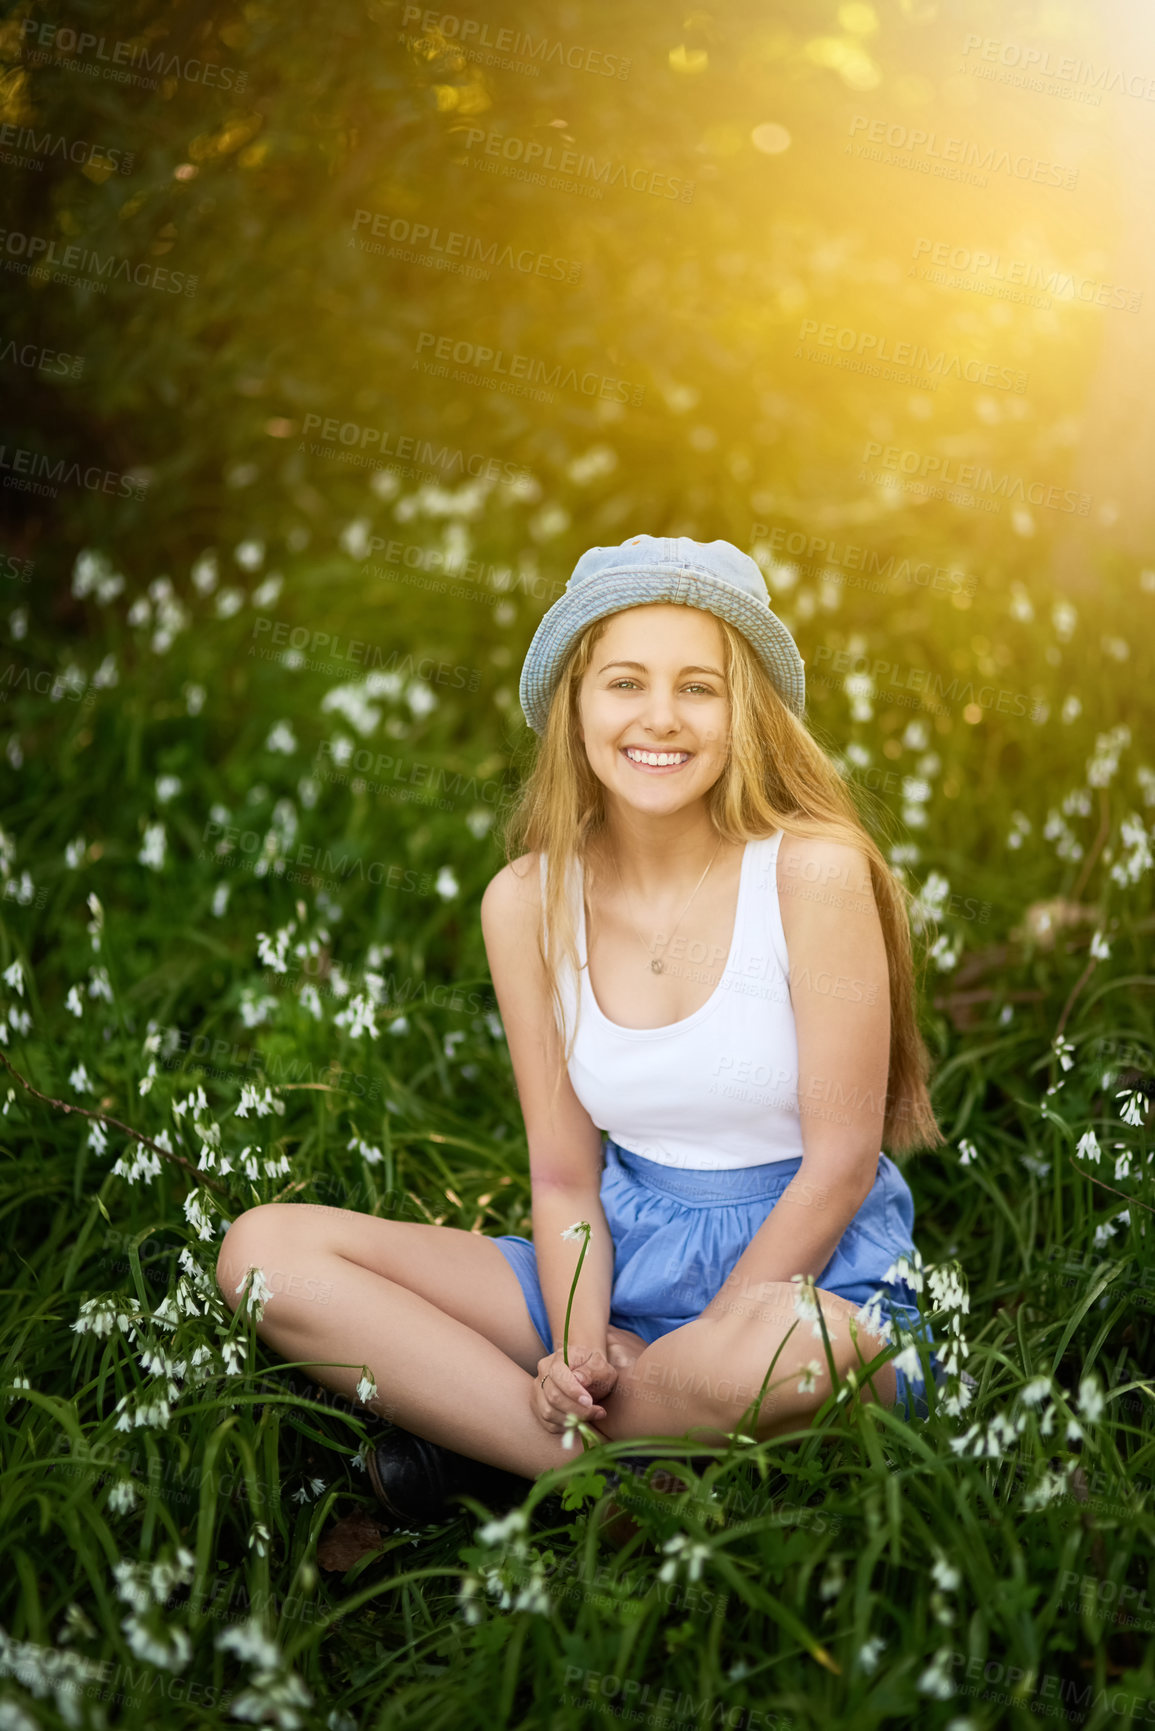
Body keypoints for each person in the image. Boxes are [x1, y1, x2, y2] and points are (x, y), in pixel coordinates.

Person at [215, 534, 947, 1528]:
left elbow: (841, 1164)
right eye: (624, 682)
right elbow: (564, 1178)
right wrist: (577, 1342)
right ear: (576, 704)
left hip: (805, 1276)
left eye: (699, 687)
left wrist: (713, 1337)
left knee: (808, 1353)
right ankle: (601, 1464)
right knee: (264, 1255)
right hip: (622, 1257)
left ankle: (492, 1441)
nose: (659, 717)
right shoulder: (525, 903)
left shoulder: (812, 873)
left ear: (748, 716)